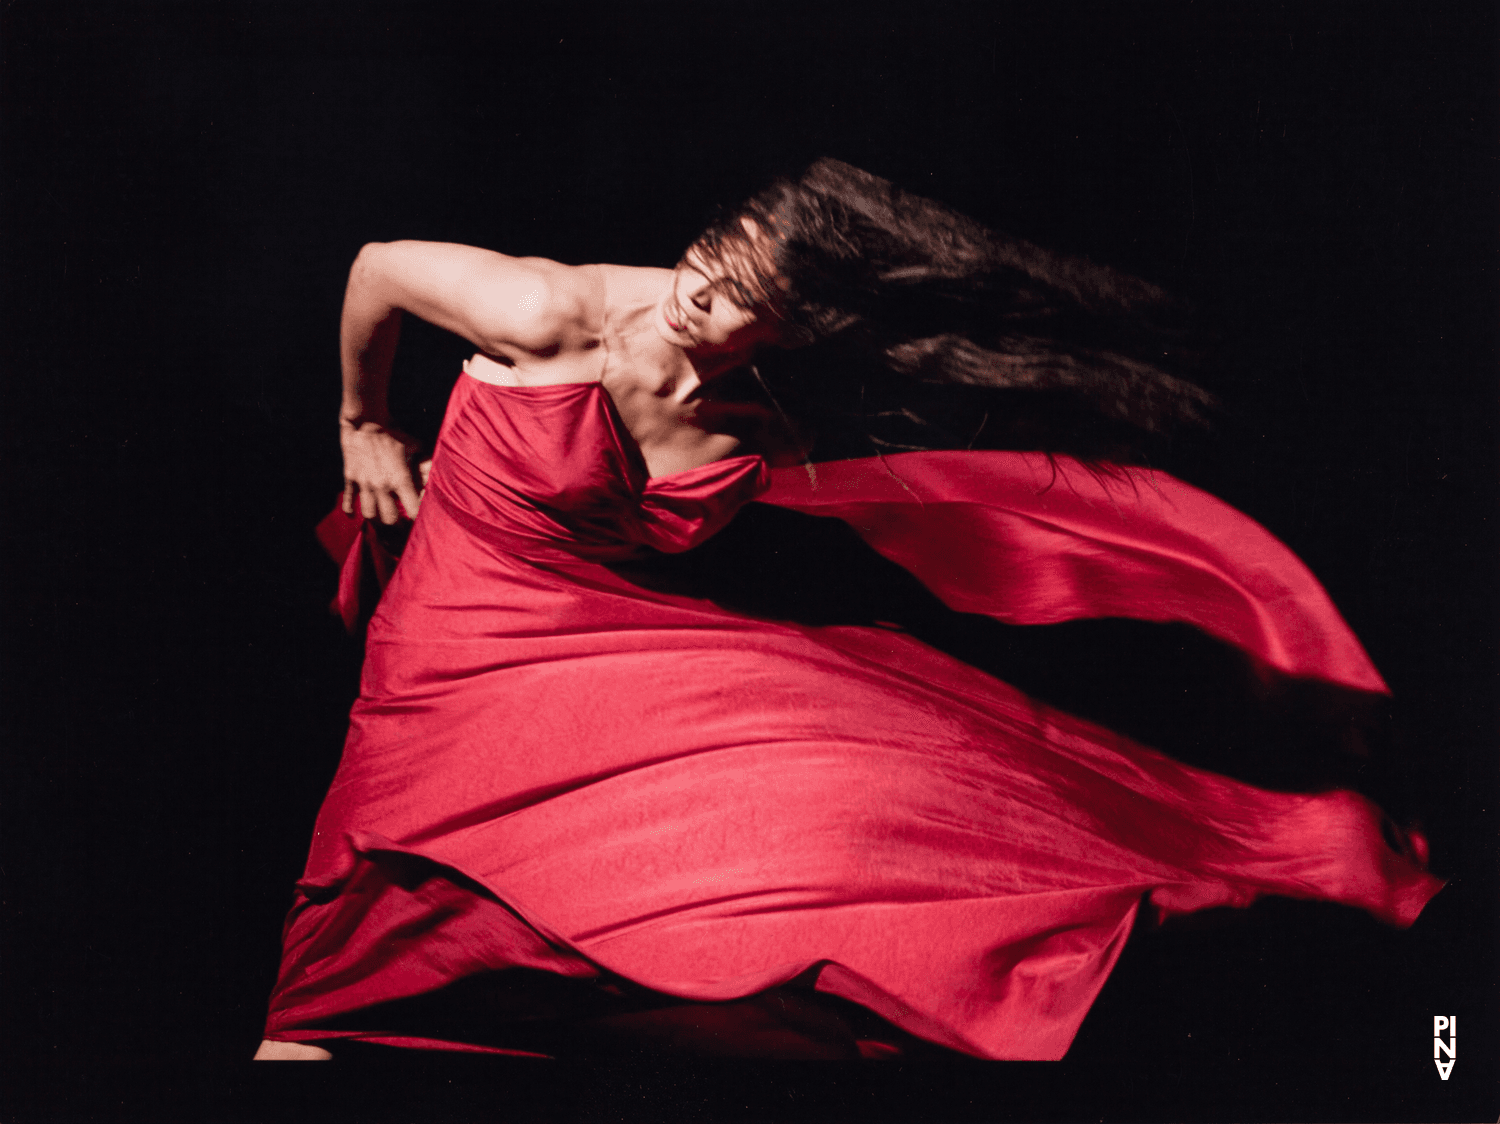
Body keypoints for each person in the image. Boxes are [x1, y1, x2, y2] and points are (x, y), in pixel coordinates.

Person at [255, 160, 1441, 1061]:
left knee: (850, 795)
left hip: (610, 630)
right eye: (710, 257)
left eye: (739, 300)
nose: (697, 299)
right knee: (366, 884)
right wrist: (364, 423)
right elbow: (376, 265)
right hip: (468, 615)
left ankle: (1225, 897)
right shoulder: (546, 311)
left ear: (794, 327)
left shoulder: (767, 414)